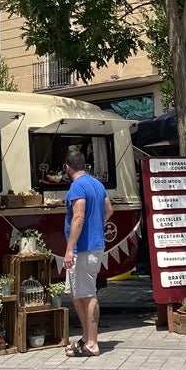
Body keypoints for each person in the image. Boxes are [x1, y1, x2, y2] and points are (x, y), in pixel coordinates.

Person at [62, 150, 113, 357]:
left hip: (82, 249)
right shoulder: (97, 184)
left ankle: (92, 343)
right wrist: (98, 227)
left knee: (88, 294)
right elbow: (109, 209)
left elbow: (78, 217)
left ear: (67, 167)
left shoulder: (77, 186)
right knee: (73, 291)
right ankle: (86, 336)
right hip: (93, 245)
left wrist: (69, 248)